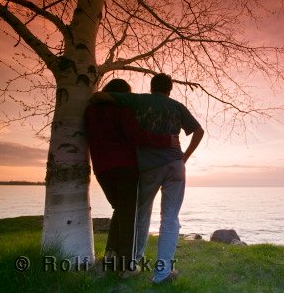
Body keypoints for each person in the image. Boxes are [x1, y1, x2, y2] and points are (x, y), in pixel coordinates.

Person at [92, 73, 204, 284]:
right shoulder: (178, 106)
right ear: (169, 89)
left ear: (152, 87)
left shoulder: (139, 99)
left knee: (141, 216)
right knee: (170, 219)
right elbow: (199, 131)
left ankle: (134, 263)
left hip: (150, 168)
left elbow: (101, 97)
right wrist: (185, 157)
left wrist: (95, 96)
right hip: (175, 167)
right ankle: (162, 274)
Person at [85, 79, 179, 276]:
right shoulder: (122, 110)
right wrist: (166, 140)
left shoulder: (90, 112)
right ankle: (128, 266)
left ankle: (111, 256)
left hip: (102, 170)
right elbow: (137, 136)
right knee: (130, 215)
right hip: (126, 168)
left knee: (120, 210)